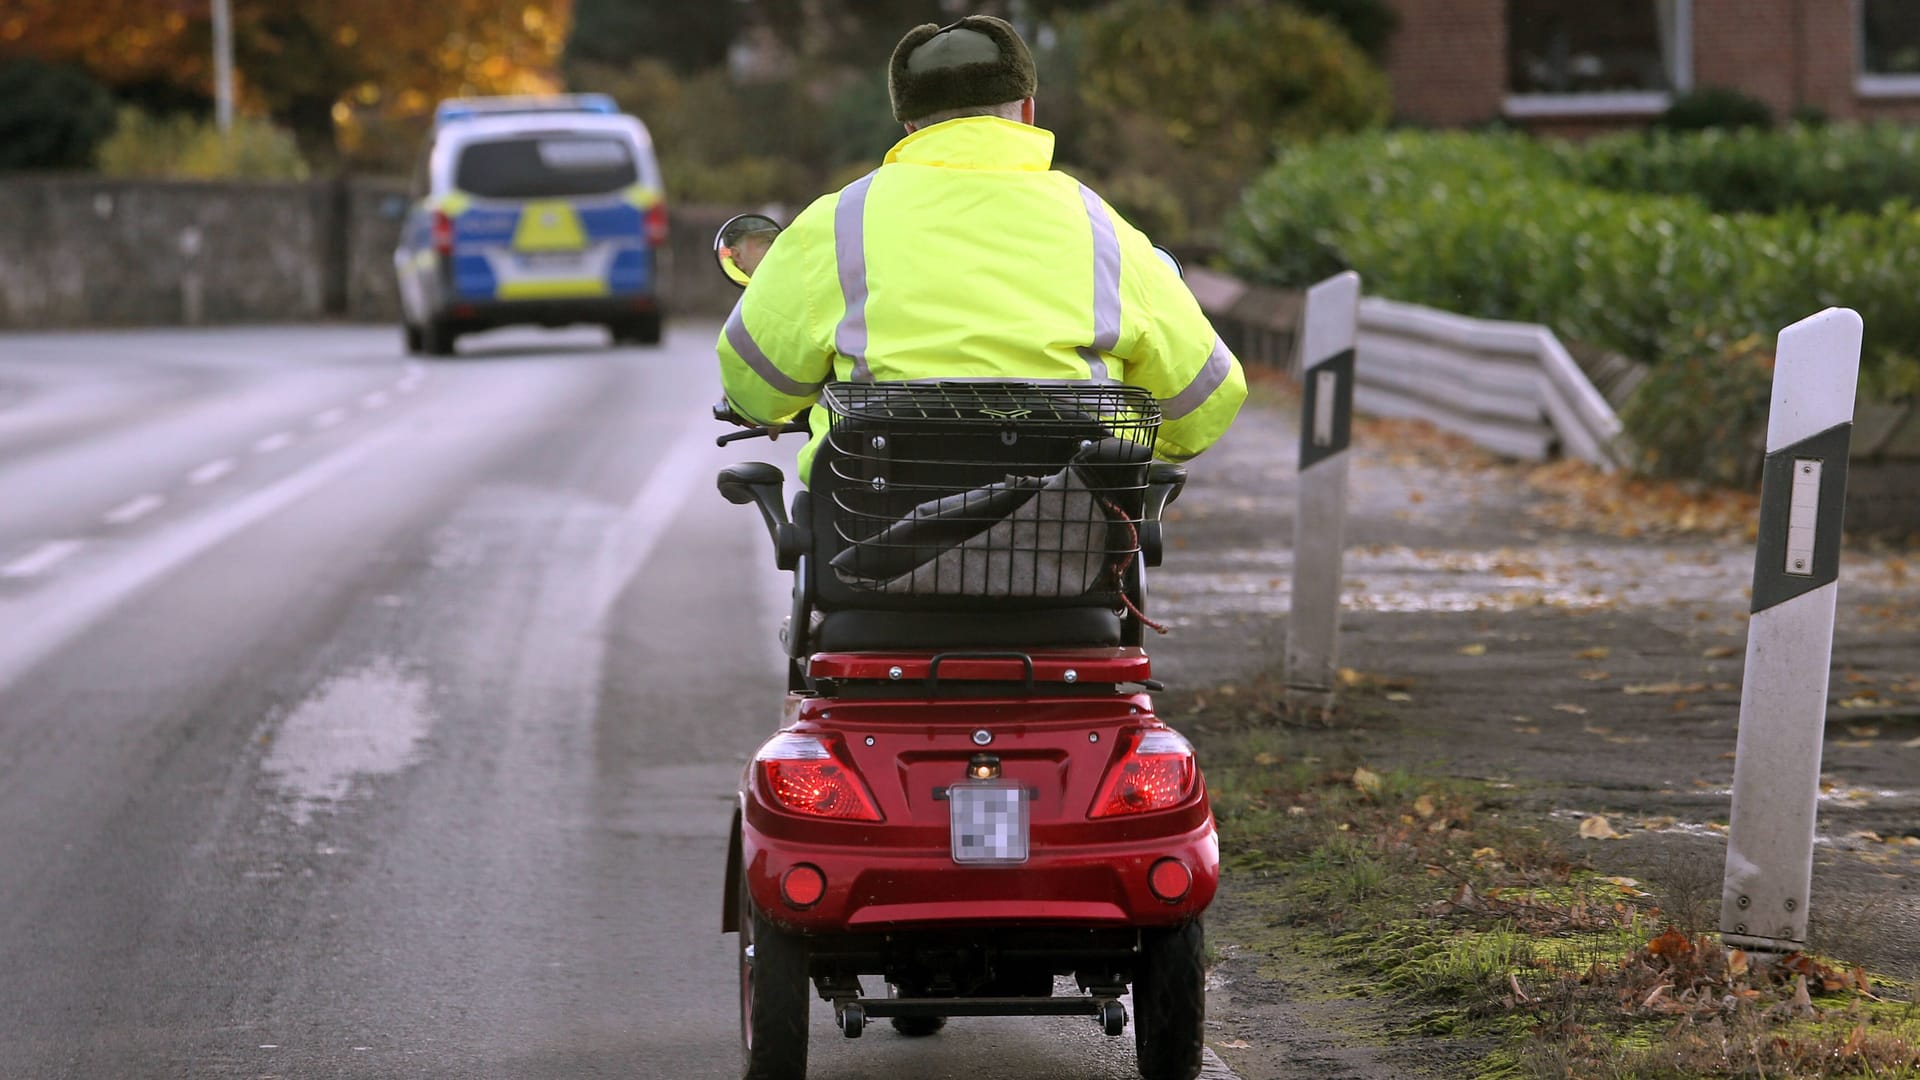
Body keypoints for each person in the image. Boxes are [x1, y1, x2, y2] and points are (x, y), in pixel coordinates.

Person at [716, 14, 1246, 482]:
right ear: (1029, 110)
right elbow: (1207, 400)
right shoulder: (1101, 227)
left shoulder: (837, 222)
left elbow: (754, 383)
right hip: (1071, 543)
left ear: (909, 124)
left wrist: (765, 408)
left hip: (873, 536)